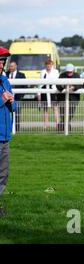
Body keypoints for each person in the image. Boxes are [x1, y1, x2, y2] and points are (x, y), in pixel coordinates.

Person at [0, 46, 16, 217]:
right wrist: (1, 99)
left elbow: (13, 105)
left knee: (3, 174)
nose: (1, 64)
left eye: (3, 61)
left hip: (5, 136)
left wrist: (12, 102)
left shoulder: (5, 80)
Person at [56, 63, 81, 132]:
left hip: (73, 98)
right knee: (63, 115)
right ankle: (65, 130)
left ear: (73, 70)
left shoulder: (77, 75)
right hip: (62, 99)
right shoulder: (62, 75)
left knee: (70, 115)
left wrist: (74, 87)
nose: (69, 73)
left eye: (70, 72)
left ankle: (65, 129)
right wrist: (63, 86)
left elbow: (81, 85)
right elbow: (57, 86)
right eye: (68, 72)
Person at [38, 59, 59, 130]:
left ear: (52, 65)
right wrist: (39, 93)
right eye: (47, 64)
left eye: (50, 64)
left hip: (53, 92)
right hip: (44, 92)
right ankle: (45, 125)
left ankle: (57, 124)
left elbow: (56, 82)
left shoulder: (56, 72)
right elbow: (40, 84)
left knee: (55, 108)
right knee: (45, 109)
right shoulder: (42, 72)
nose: (48, 66)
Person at [6, 61, 26, 132]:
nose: (10, 68)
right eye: (9, 66)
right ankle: (8, 129)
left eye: (12, 66)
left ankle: (17, 130)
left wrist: (21, 96)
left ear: (15, 66)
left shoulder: (22, 75)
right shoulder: (6, 74)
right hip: (6, 98)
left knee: (17, 114)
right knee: (7, 114)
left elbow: (25, 87)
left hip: (17, 98)